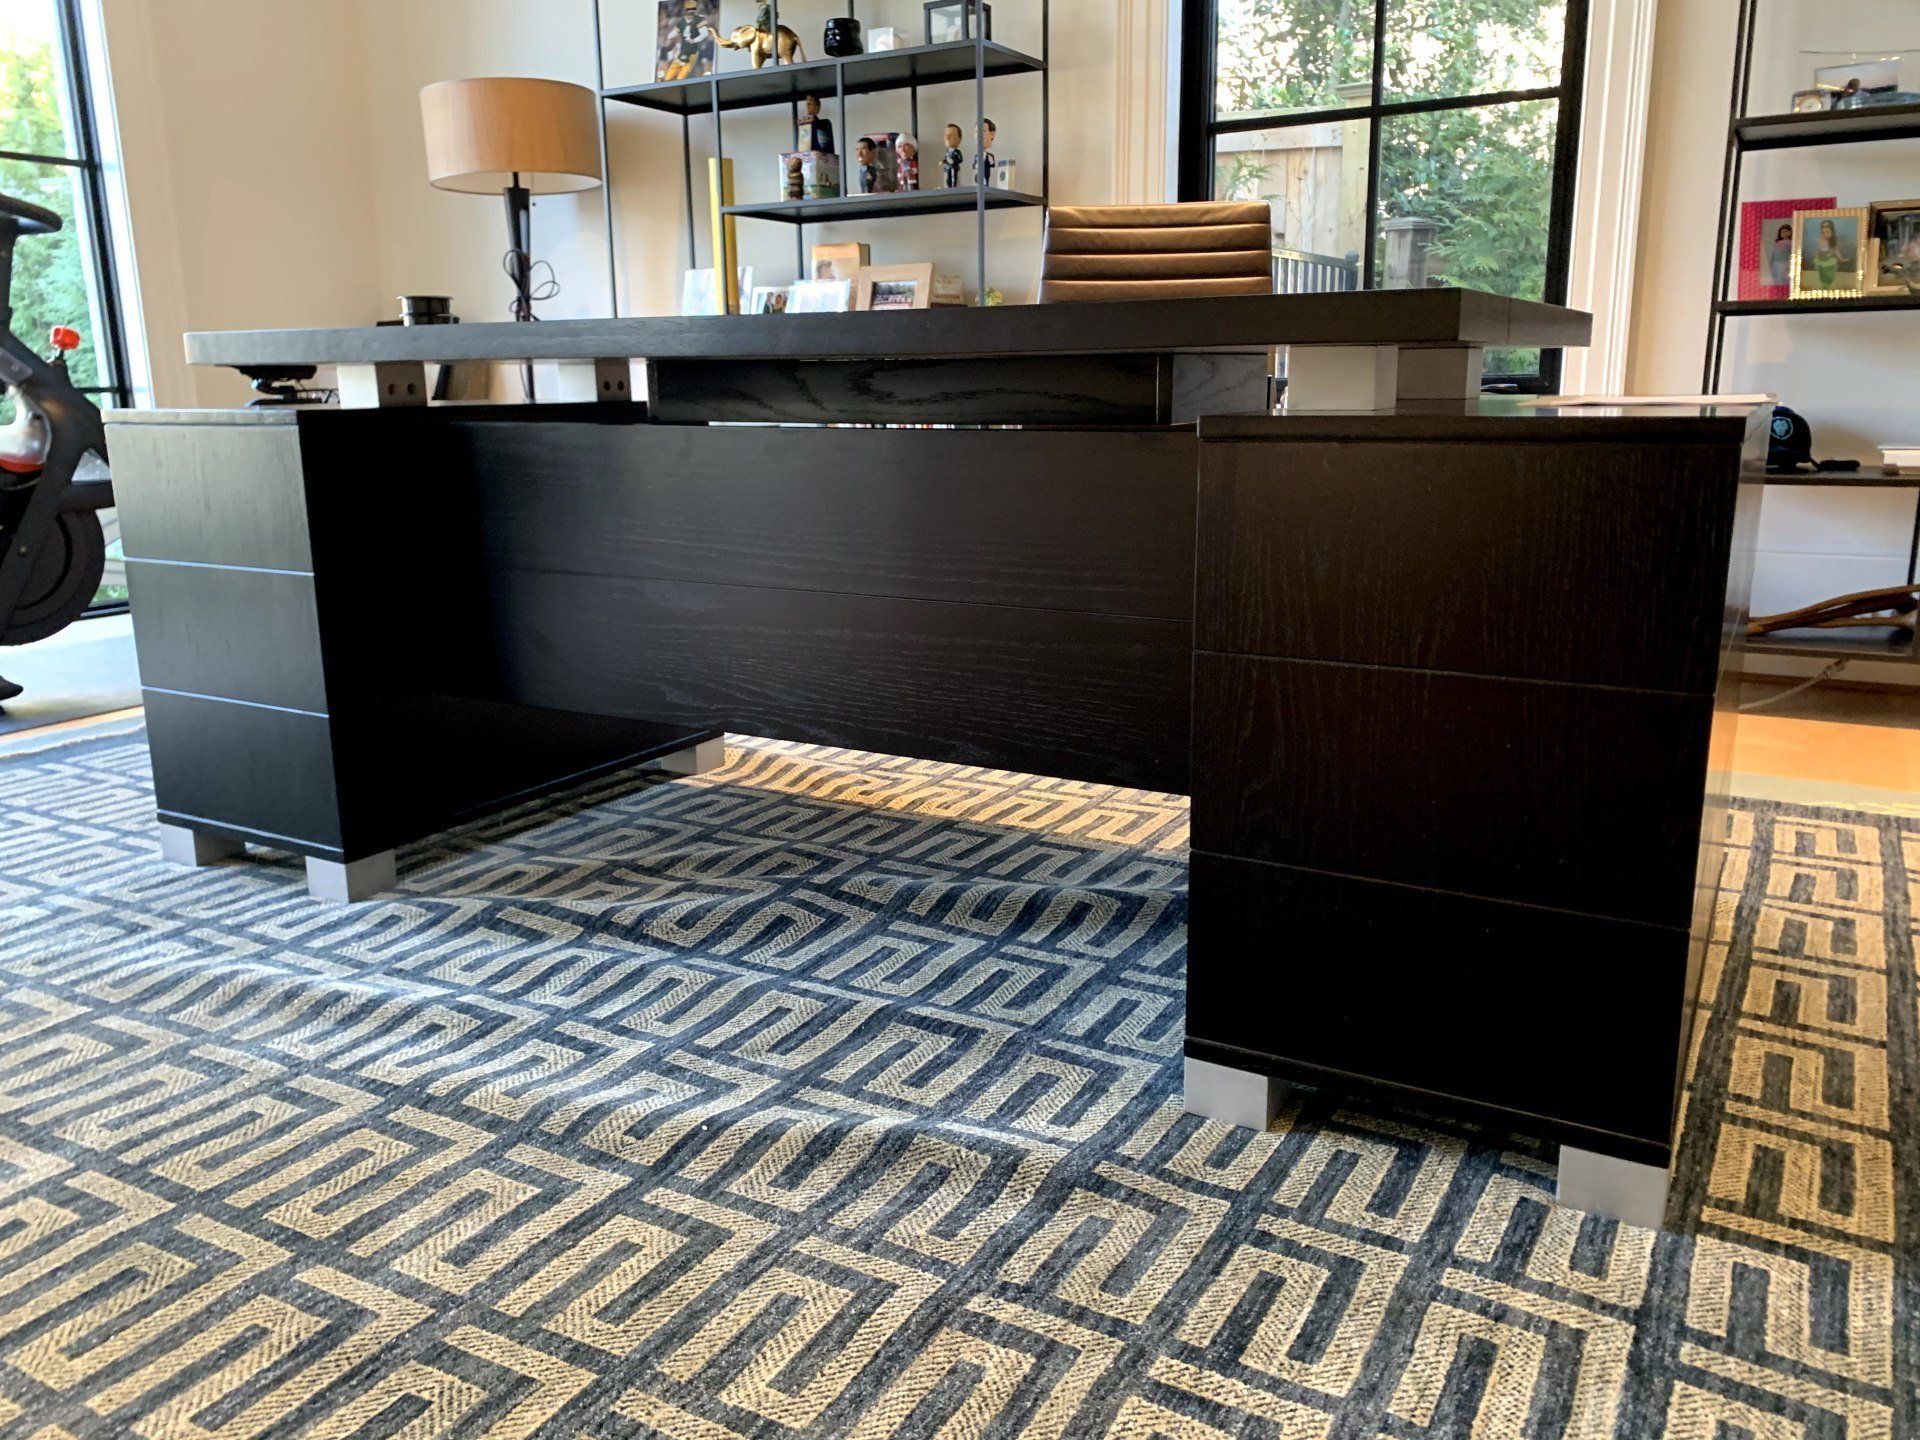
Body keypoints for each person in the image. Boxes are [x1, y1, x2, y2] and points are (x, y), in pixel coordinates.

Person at [974, 117, 996, 186]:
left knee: (985, 181)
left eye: (983, 131)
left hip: (986, 172)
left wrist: (990, 160)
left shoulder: (990, 155)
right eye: (976, 132)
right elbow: (974, 165)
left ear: (992, 134)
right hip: (977, 176)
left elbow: (992, 164)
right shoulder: (976, 156)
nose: (979, 135)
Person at [1770, 223, 1792, 287]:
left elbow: (1791, 253)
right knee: (1776, 275)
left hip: (1785, 262)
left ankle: (1784, 287)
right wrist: (1772, 262)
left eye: (1786, 231)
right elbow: (1774, 253)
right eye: (1782, 232)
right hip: (1776, 263)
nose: (1784, 234)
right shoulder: (1778, 243)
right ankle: (1779, 286)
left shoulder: (1790, 242)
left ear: (1790, 232)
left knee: (1783, 276)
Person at [942, 123, 964, 188]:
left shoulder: (957, 152)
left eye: (952, 135)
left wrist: (953, 161)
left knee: (954, 179)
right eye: (946, 135)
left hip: (954, 168)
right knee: (947, 180)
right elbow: (946, 158)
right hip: (947, 168)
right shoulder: (947, 152)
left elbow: (960, 159)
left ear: (959, 139)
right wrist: (943, 161)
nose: (947, 138)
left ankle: (953, 187)